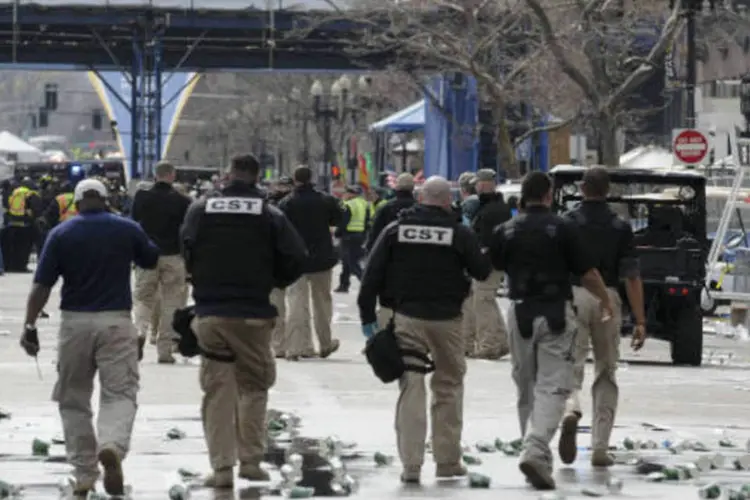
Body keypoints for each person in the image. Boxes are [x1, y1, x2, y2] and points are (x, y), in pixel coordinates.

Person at [20, 178, 159, 497]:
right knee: (121, 392)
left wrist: (30, 326)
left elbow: (42, 285)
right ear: (106, 200)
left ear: (78, 203)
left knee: (73, 398)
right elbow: (150, 259)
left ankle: (84, 471)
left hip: (74, 325)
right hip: (116, 322)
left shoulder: (61, 233)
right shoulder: (126, 227)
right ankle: (111, 444)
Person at [181, 154, 307, 488]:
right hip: (253, 313)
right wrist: (274, 280)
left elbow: (187, 247)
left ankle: (221, 468)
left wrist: (202, 280)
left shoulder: (200, 209)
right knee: (254, 386)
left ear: (228, 175)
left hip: (211, 313)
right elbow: (297, 257)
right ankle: (250, 462)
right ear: (255, 177)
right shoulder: (270, 214)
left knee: (217, 390)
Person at [357, 176, 491, 484]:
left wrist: (368, 321)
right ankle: (447, 462)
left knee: (412, 386)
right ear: (447, 201)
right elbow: (482, 271)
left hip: (408, 318)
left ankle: (411, 466)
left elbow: (371, 275)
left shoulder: (395, 231)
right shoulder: (458, 232)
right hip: (448, 321)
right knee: (448, 387)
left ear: (420, 198)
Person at [488, 172, 613, 490]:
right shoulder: (563, 228)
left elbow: (490, 267)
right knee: (554, 387)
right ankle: (535, 448)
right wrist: (604, 300)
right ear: (549, 195)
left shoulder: (506, 230)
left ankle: (536, 453)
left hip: (519, 312)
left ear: (521, 198)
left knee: (525, 385)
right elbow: (587, 272)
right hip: (556, 312)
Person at [558, 167, 646, 467]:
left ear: (582, 189)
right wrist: (641, 319)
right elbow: (632, 276)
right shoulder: (620, 226)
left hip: (574, 295)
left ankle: (571, 407)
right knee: (606, 371)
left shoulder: (566, 223)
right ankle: (600, 447)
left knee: (572, 364)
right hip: (608, 298)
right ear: (607, 191)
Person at [279, 166, 344, 360]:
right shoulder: (325, 200)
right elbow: (340, 218)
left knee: (296, 304)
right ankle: (325, 342)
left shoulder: (287, 203)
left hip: (297, 260)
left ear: (294, 179)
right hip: (322, 259)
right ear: (311, 178)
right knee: (322, 304)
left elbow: (281, 229)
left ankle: (295, 346)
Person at [131, 161, 192, 363]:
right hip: (173, 256)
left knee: (143, 299)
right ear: (172, 176)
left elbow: (133, 224)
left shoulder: (141, 197)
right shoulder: (183, 201)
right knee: (171, 303)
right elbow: (187, 232)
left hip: (146, 255)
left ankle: (140, 331)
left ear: (155, 175)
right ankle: (164, 350)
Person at [267, 176, 315, 358]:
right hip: (296, 259)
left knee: (277, 305)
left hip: (274, 261)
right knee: (298, 305)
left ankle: (279, 345)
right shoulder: (299, 202)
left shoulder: (270, 206)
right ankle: (299, 346)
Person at [469, 168, 512, 359]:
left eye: (477, 183)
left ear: (485, 184)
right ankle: (501, 341)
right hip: (494, 262)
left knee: (482, 301)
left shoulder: (490, 210)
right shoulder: (496, 207)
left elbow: (485, 240)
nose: (475, 187)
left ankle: (489, 344)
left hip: (488, 264)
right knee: (487, 301)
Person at [365, 173, 416, 255]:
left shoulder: (386, 208)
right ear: (413, 188)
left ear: (397, 187)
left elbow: (375, 233)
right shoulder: (418, 208)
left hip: (391, 254)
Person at [334, 186, 370, 293]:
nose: (345, 195)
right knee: (347, 261)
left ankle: (366, 284)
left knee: (352, 262)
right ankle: (344, 285)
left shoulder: (347, 204)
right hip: (359, 235)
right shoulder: (364, 204)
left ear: (351, 194)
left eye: (346, 193)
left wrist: (337, 233)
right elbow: (367, 221)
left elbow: (343, 221)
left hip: (348, 236)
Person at [5, 177, 43, 272]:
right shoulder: (30, 193)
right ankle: (21, 267)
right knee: (25, 248)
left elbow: (7, 205)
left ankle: (12, 266)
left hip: (12, 223)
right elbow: (36, 208)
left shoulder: (13, 193)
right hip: (26, 224)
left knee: (14, 247)